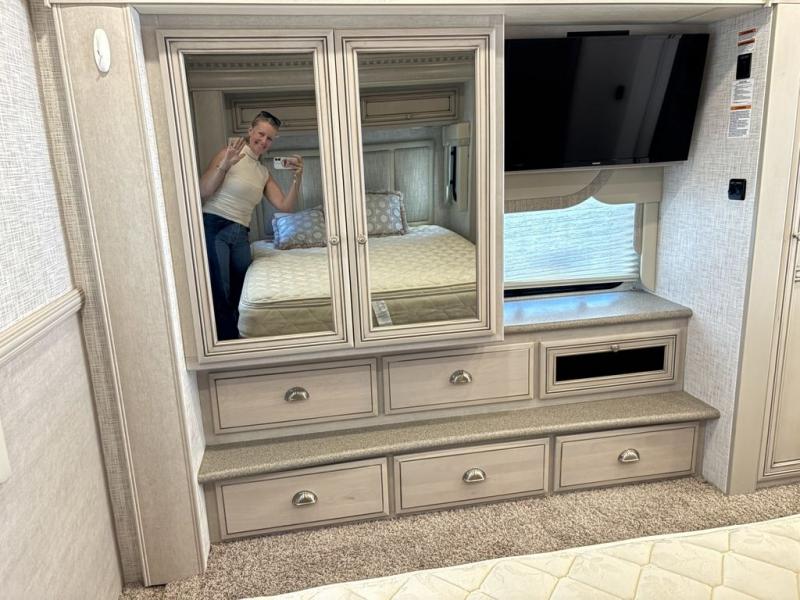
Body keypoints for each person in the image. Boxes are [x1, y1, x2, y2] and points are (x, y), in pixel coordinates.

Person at [199, 110, 303, 340]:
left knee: (241, 290)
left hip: (240, 234)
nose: (264, 141)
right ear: (250, 131)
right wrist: (225, 165)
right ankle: (226, 345)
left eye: (269, 138)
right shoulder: (228, 154)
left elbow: (285, 206)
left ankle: (239, 340)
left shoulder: (263, 172)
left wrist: (297, 178)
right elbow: (203, 190)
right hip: (215, 226)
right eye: (261, 134)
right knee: (220, 290)